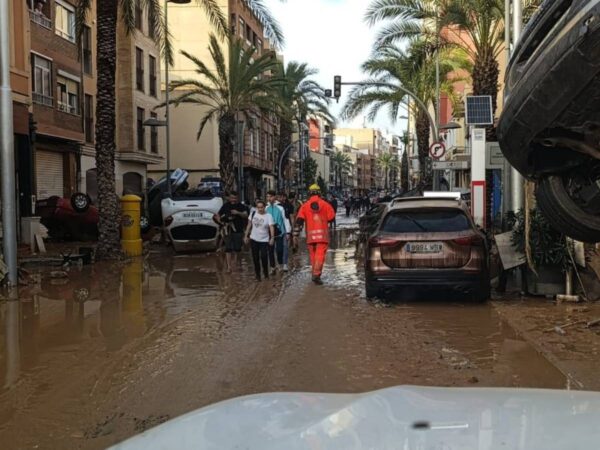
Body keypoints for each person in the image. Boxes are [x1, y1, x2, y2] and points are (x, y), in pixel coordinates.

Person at [293, 184, 336, 285]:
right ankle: (316, 275)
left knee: (313, 256)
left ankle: (314, 272)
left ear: (309, 193)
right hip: (322, 236)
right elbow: (331, 218)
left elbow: (299, 221)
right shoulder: (325, 204)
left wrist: (295, 235)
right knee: (320, 255)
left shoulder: (305, 206)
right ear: (319, 193)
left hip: (311, 237)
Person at [213, 191, 248, 272]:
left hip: (238, 229)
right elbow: (217, 215)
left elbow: (246, 215)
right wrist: (221, 222)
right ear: (229, 198)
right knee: (228, 248)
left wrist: (238, 213)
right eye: (232, 198)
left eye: (235, 198)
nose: (233, 200)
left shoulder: (241, 206)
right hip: (227, 230)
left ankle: (236, 264)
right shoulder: (225, 206)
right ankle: (229, 267)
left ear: (238, 198)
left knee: (237, 248)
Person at [244, 200, 274, 281]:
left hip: (264, 240)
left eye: (262, 207)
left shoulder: (269, 216)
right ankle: (258, 275)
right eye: (258, 207)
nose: (260, 209)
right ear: (256, 207)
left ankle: (266, 273)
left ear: (264, 207)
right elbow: (249, 225)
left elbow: (271, 227)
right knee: (255, 258)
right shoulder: (253, 214)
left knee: (264, 257)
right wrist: (246, 236)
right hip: (254, 239)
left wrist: (272, 238)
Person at [266, 190, 287, 274]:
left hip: (279, 232)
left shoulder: (280, 208)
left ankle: (280, 264)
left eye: (270, 196)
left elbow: (285, 220)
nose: (269, 198)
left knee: (279, 250)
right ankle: (272, 267)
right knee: (270, 250)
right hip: (268, 232)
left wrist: (287, 232)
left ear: (274, 197)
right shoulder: (265, 208)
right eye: (267, 197)